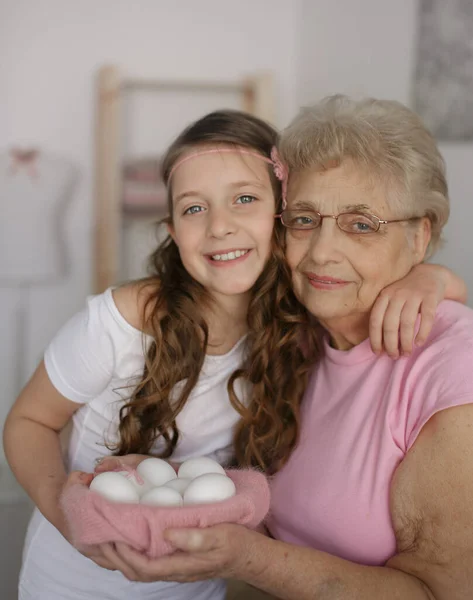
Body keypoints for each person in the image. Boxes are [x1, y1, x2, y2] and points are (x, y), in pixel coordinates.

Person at [3, 106, 466, 600]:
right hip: (74, 584)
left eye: (244, 199)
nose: (220, 226)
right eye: (194, 208)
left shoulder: (293, 320)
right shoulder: (129, 321)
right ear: (172, 229)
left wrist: (430, 276)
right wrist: (72, 515)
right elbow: (29, 422)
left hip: (196, 588)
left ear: (276, 219)